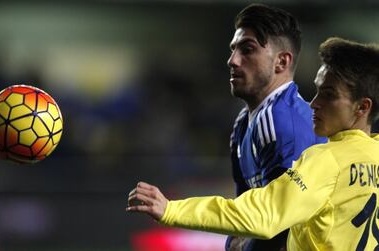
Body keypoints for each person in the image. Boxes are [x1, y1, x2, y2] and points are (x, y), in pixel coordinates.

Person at [127, 37, 379, 250]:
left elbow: (263, 214)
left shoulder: (327, 160)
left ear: (362, 107)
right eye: (316, 91)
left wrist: (171, 210)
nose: (314, 103)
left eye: (329, 95)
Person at [226, 4, 326, 250]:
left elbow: (283, 227)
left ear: (281, 61)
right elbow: (244, 206)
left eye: (247, 50)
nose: (232, 60)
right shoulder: (243, 124)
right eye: (233, 49)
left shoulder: (283, 123)